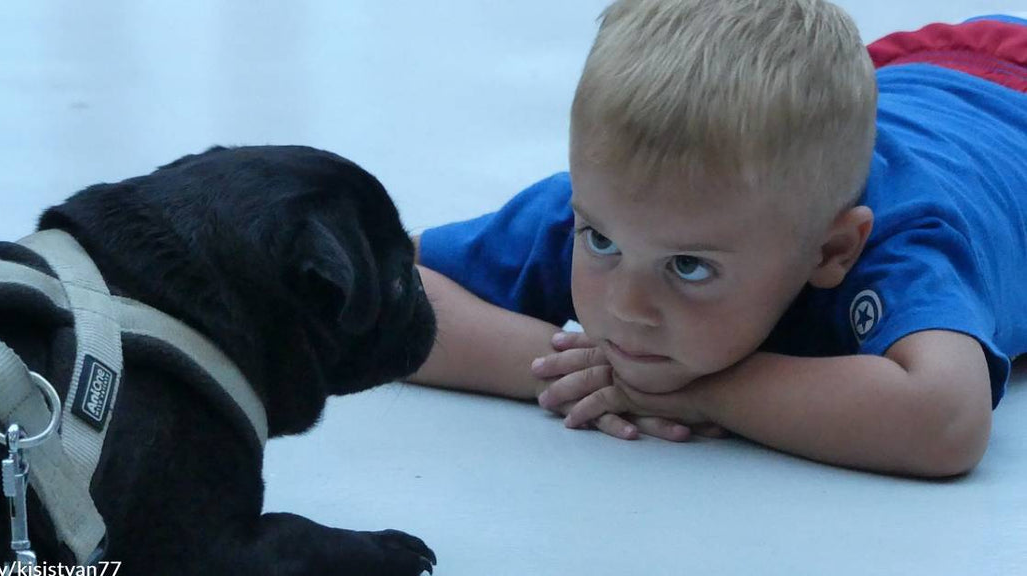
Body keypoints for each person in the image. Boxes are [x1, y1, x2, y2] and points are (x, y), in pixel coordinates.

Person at [406, 0, 1027, 477]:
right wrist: (564, 368)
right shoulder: (632, 197)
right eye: (600, 245)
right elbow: (385, 281)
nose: (625, 307)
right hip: (911, 73)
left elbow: (946, 419)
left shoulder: (904, 243)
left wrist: (709, 394)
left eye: (689, 267)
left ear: (833, 252)